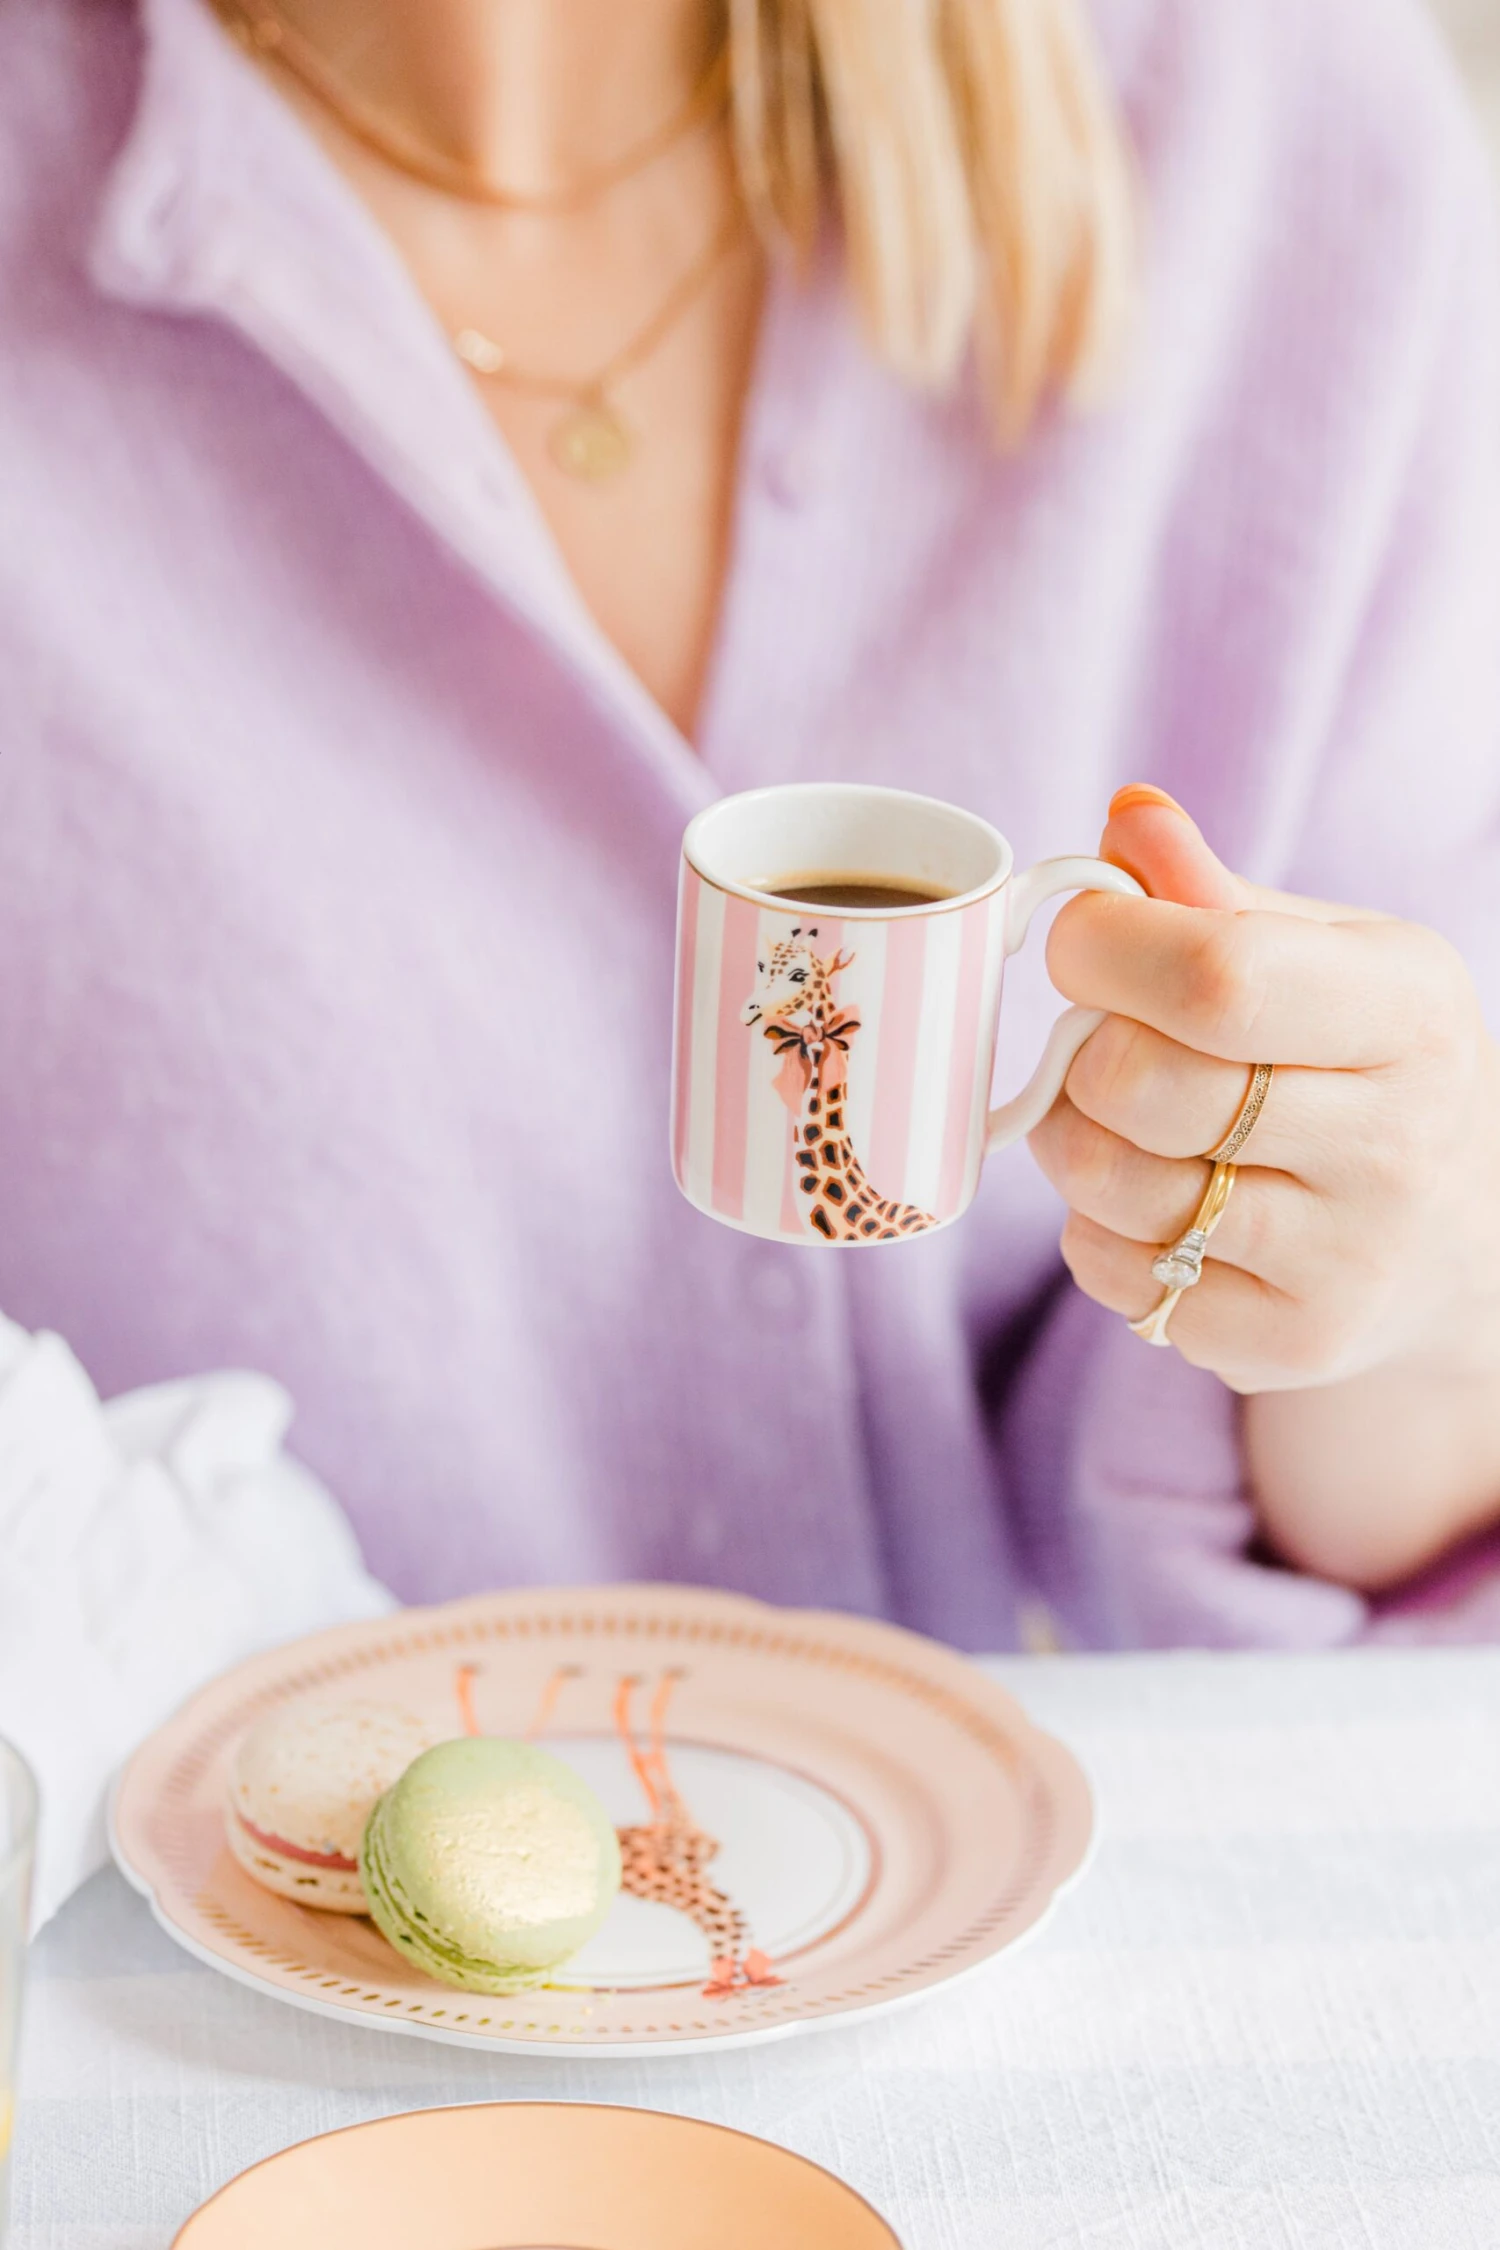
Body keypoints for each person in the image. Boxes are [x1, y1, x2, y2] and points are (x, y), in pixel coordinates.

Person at [2, 0, 1499, 1924]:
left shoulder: (1272, 145)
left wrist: (1422, 1289)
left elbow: (1316, 1522)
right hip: (167, 2046)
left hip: (929, 2005)